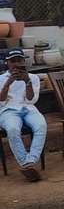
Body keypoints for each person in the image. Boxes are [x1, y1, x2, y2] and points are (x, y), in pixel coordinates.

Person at [0, 49, 47, 181]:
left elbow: (31, 100)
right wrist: (8, 83)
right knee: (13, 129)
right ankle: (26, 164)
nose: (16, 64)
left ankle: (30, 161)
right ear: (6, 63)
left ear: (23, 62)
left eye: (19, 61)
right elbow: (1, 100)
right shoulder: (0, 79)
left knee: (41, 125)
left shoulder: (33, 77)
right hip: (7, 110)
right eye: (12, 61)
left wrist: (27, 82)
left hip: (28, 108)